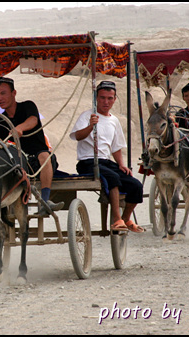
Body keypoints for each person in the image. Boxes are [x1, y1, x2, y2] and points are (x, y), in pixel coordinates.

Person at [69, 81, 145, 233]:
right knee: (112, 178)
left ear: (115, 99)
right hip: (88, 161)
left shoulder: (114, 120)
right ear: (96, 98)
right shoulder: (87, 116)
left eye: (110, 98)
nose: (106, 102)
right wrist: (91, 126)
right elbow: (77, 136)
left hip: (106, 162)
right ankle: (117, 219)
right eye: (102, 98)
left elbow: (116, 147)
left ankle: (126, 218)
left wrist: (121, 164)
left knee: (136, 185)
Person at [0, 77, 64, 216]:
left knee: (44, 156)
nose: (0, 98)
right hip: (18, 164)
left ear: (13, 93)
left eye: (3, 93)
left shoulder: (28, 106)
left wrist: (19, 128)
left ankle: (45, 202)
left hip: (38, 161)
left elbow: (33, 120)